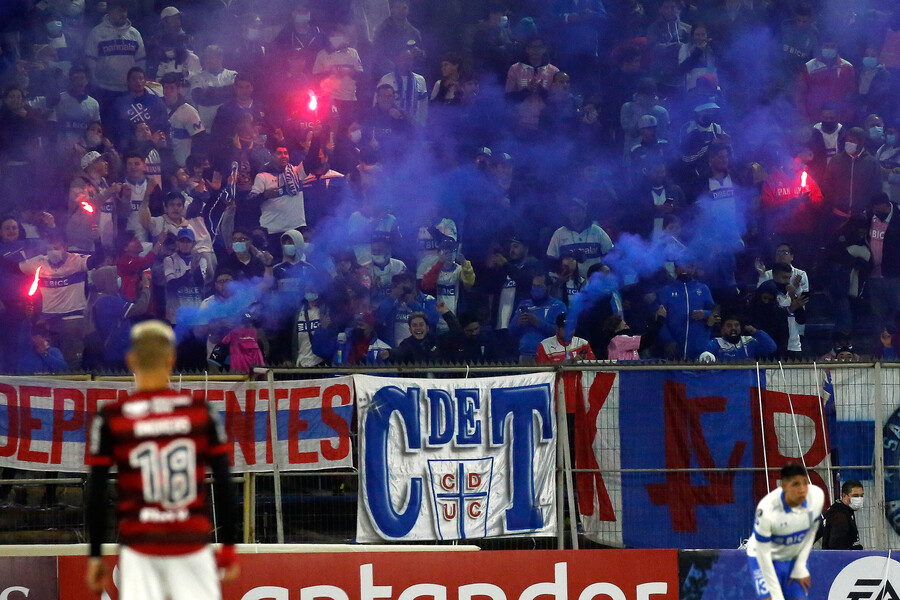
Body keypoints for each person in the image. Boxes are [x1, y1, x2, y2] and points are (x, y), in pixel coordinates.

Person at [84, 320, 239, 596]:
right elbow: (225, 483)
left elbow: (96, 492)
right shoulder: (201, 412)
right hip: (191, 546)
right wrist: (228, 547)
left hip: (140, 550)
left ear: (130, 361)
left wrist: (96, 555)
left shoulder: (112, 417)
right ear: (171, 359)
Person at [746, 462, 825, 600]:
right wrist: (776, 595)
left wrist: (800, 565)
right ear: (784, 487)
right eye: (795, 484)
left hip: (792, 557)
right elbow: (763, 554)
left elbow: (811, 531)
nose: (802, 490)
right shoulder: (766, 510)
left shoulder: (816, 497)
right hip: (763, 558)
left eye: (805, 483)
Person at [699, 315, 777, 362]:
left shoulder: (749, 341)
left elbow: (771, 348)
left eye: (736, 325)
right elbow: (704, 357)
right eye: (729, 326)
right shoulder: (715, 343)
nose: (733, 328)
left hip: (746, 383)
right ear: (723, 329)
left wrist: (755, 332)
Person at [820, 480, 864, 550]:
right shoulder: (839, 515)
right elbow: (837, 545)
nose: (859, 499)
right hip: (839, 559)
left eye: (861, 496)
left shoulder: (844, 510)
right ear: (844, 495)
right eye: (855, 496)